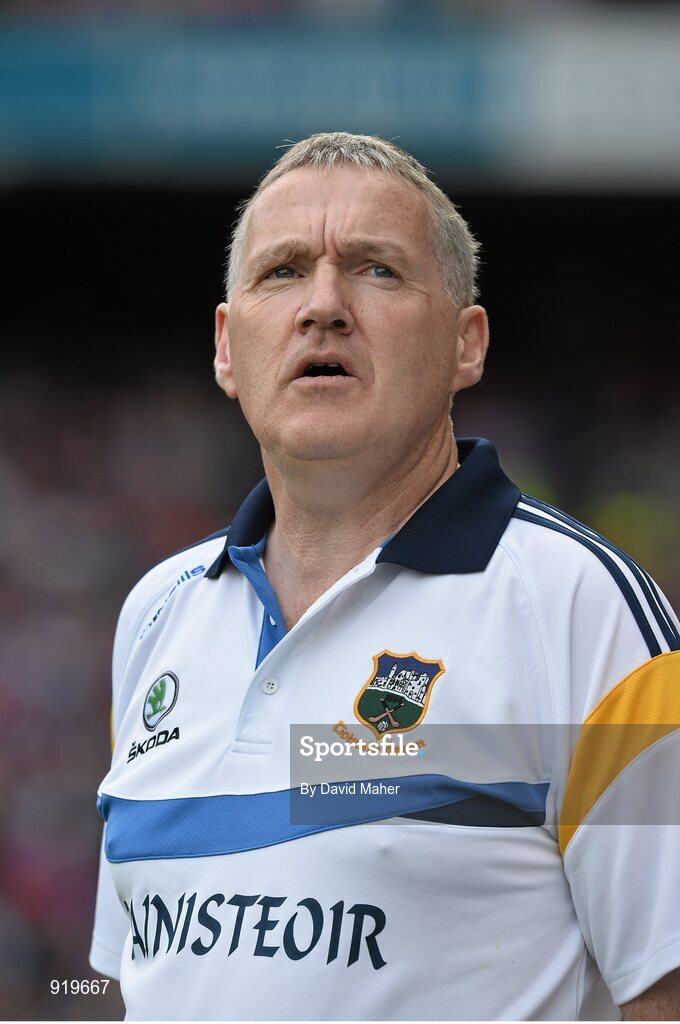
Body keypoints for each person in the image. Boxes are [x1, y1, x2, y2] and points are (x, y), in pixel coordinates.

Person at [90, 132, 680, 1020]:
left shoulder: (583, 609)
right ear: (225, 346)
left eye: (376, 270)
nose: (322, 306)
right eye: (282, 272)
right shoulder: (155, 614)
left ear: (465, 345)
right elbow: (135, 985)